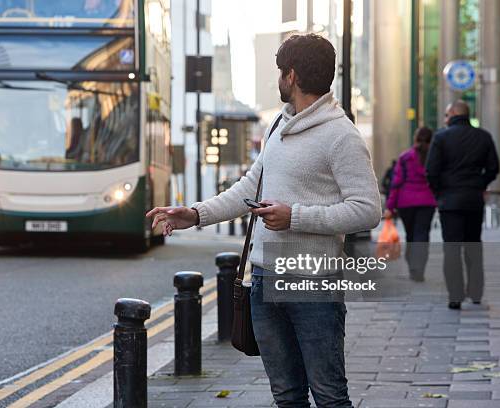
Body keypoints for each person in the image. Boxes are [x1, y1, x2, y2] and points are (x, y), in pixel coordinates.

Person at [147, 33, 381, 407]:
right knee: (286, 395)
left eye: (279, 72)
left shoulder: (341, 135)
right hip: (265, 279)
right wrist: (195, 214)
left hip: (314, 283)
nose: (278, 80)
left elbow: (368, 209)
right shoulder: (279, 126)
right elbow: (248, 188)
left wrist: (295, 217)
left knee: (329, 395)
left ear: (291, 75)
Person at [425, 100, 500, 309]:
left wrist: (440, 192)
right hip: (473, 200)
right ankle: (476, 293)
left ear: (453, 114)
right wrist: (480, 184)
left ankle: (455, 296)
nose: (445, 119)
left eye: (447, 115)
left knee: (452, 249)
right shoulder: (483, 137)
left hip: (449, 202)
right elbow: (494, 167)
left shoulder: (441, 137)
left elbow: (431, 171)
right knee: (473, 246)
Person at [384, 127, 437, 281]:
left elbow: (396, 182)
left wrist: (390, 205)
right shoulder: (433, 157)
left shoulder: (405, 157)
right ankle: (418, 268)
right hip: (427, 202)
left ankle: (413, 265)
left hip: (406, 203)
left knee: (410, 235)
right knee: (422, 235)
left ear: (415, 139)